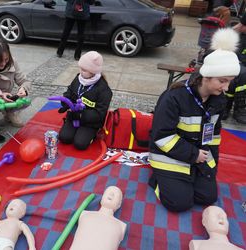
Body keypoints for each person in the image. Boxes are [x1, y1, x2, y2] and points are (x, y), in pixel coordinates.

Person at [148, 28, 240, 212]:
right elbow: (162, 136)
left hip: (197, 155)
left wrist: (210, 167)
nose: (226, 87)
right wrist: (193, 155)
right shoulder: (174, 97)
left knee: (208, 197)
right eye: (222, 81)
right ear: (205, 77)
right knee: (180, 203)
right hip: (168, 154)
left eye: (229, 81)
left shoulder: (218, 99)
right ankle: (157, 178)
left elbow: (213, 135)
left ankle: (186, 178)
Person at [58, 51, 112, 150]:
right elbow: (69, 92)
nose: (81, 72)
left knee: (80, 144)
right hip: (73, 117)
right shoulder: (78, 78)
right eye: (81, 68)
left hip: (90, 123)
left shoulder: (103, 90)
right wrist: (65, 103)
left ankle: (92, 133)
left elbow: (100, 114)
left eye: (84, 70)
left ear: (93, 72)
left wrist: (81, 115)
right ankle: (74, 128)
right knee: (64, 138)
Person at [0, 36, 31, 127]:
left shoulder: (13, 62)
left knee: (25, 101)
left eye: (6, 59)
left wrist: (23, 89)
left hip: (7, 97)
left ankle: (10, 112)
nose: (3, 63)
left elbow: (25, 81)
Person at [70, 186, 127, 250]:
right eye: (108, 192)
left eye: (116, 195)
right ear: (102, 198)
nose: (111, 194)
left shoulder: (121, 226)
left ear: (119, 204)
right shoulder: (85, 214)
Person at [222, 13, 246, 124]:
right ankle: (227, 106)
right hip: (239, 60)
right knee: (237, 74)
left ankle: (238, 109)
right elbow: (241, 26)